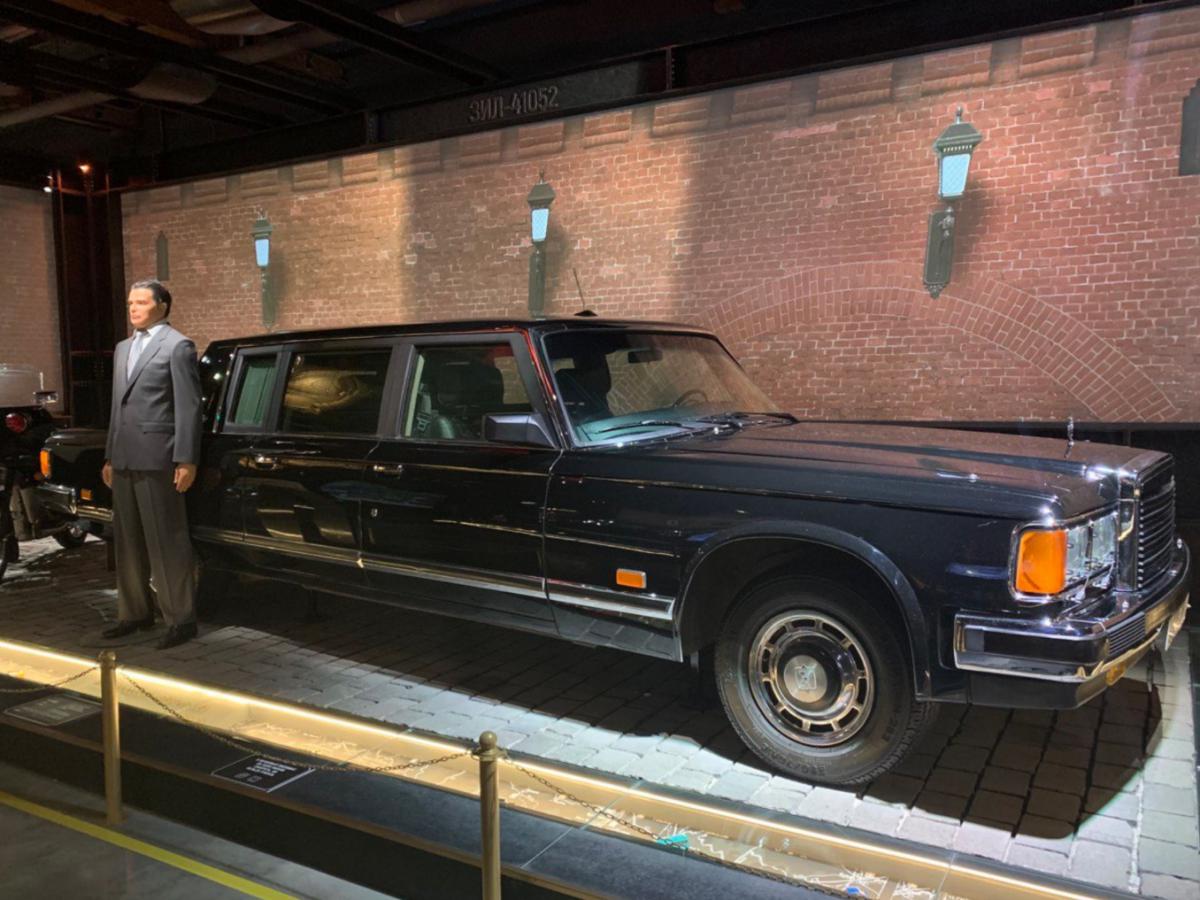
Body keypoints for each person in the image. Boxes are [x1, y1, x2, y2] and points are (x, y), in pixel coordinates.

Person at [100, 279, 203, 650]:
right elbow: (118, 406)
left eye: (141, 302)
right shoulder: (122, 348)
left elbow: (189, 406)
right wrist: (110, 454)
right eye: (131, 302)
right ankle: (134, 613)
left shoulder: (177, 346)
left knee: (166, 540)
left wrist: (186, 459)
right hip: (124, 456)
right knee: (126, 541)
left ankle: (180, 619)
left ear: (162, 306)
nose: (133, 308)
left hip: (159, 456)